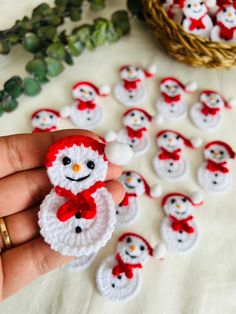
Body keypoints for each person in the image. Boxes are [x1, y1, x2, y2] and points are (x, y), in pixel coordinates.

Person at [0, 129, 124, 301]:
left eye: (89, 164)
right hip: (56, 234)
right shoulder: (55, 197)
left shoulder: (100, 196)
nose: (76, 168)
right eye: (66, 161)